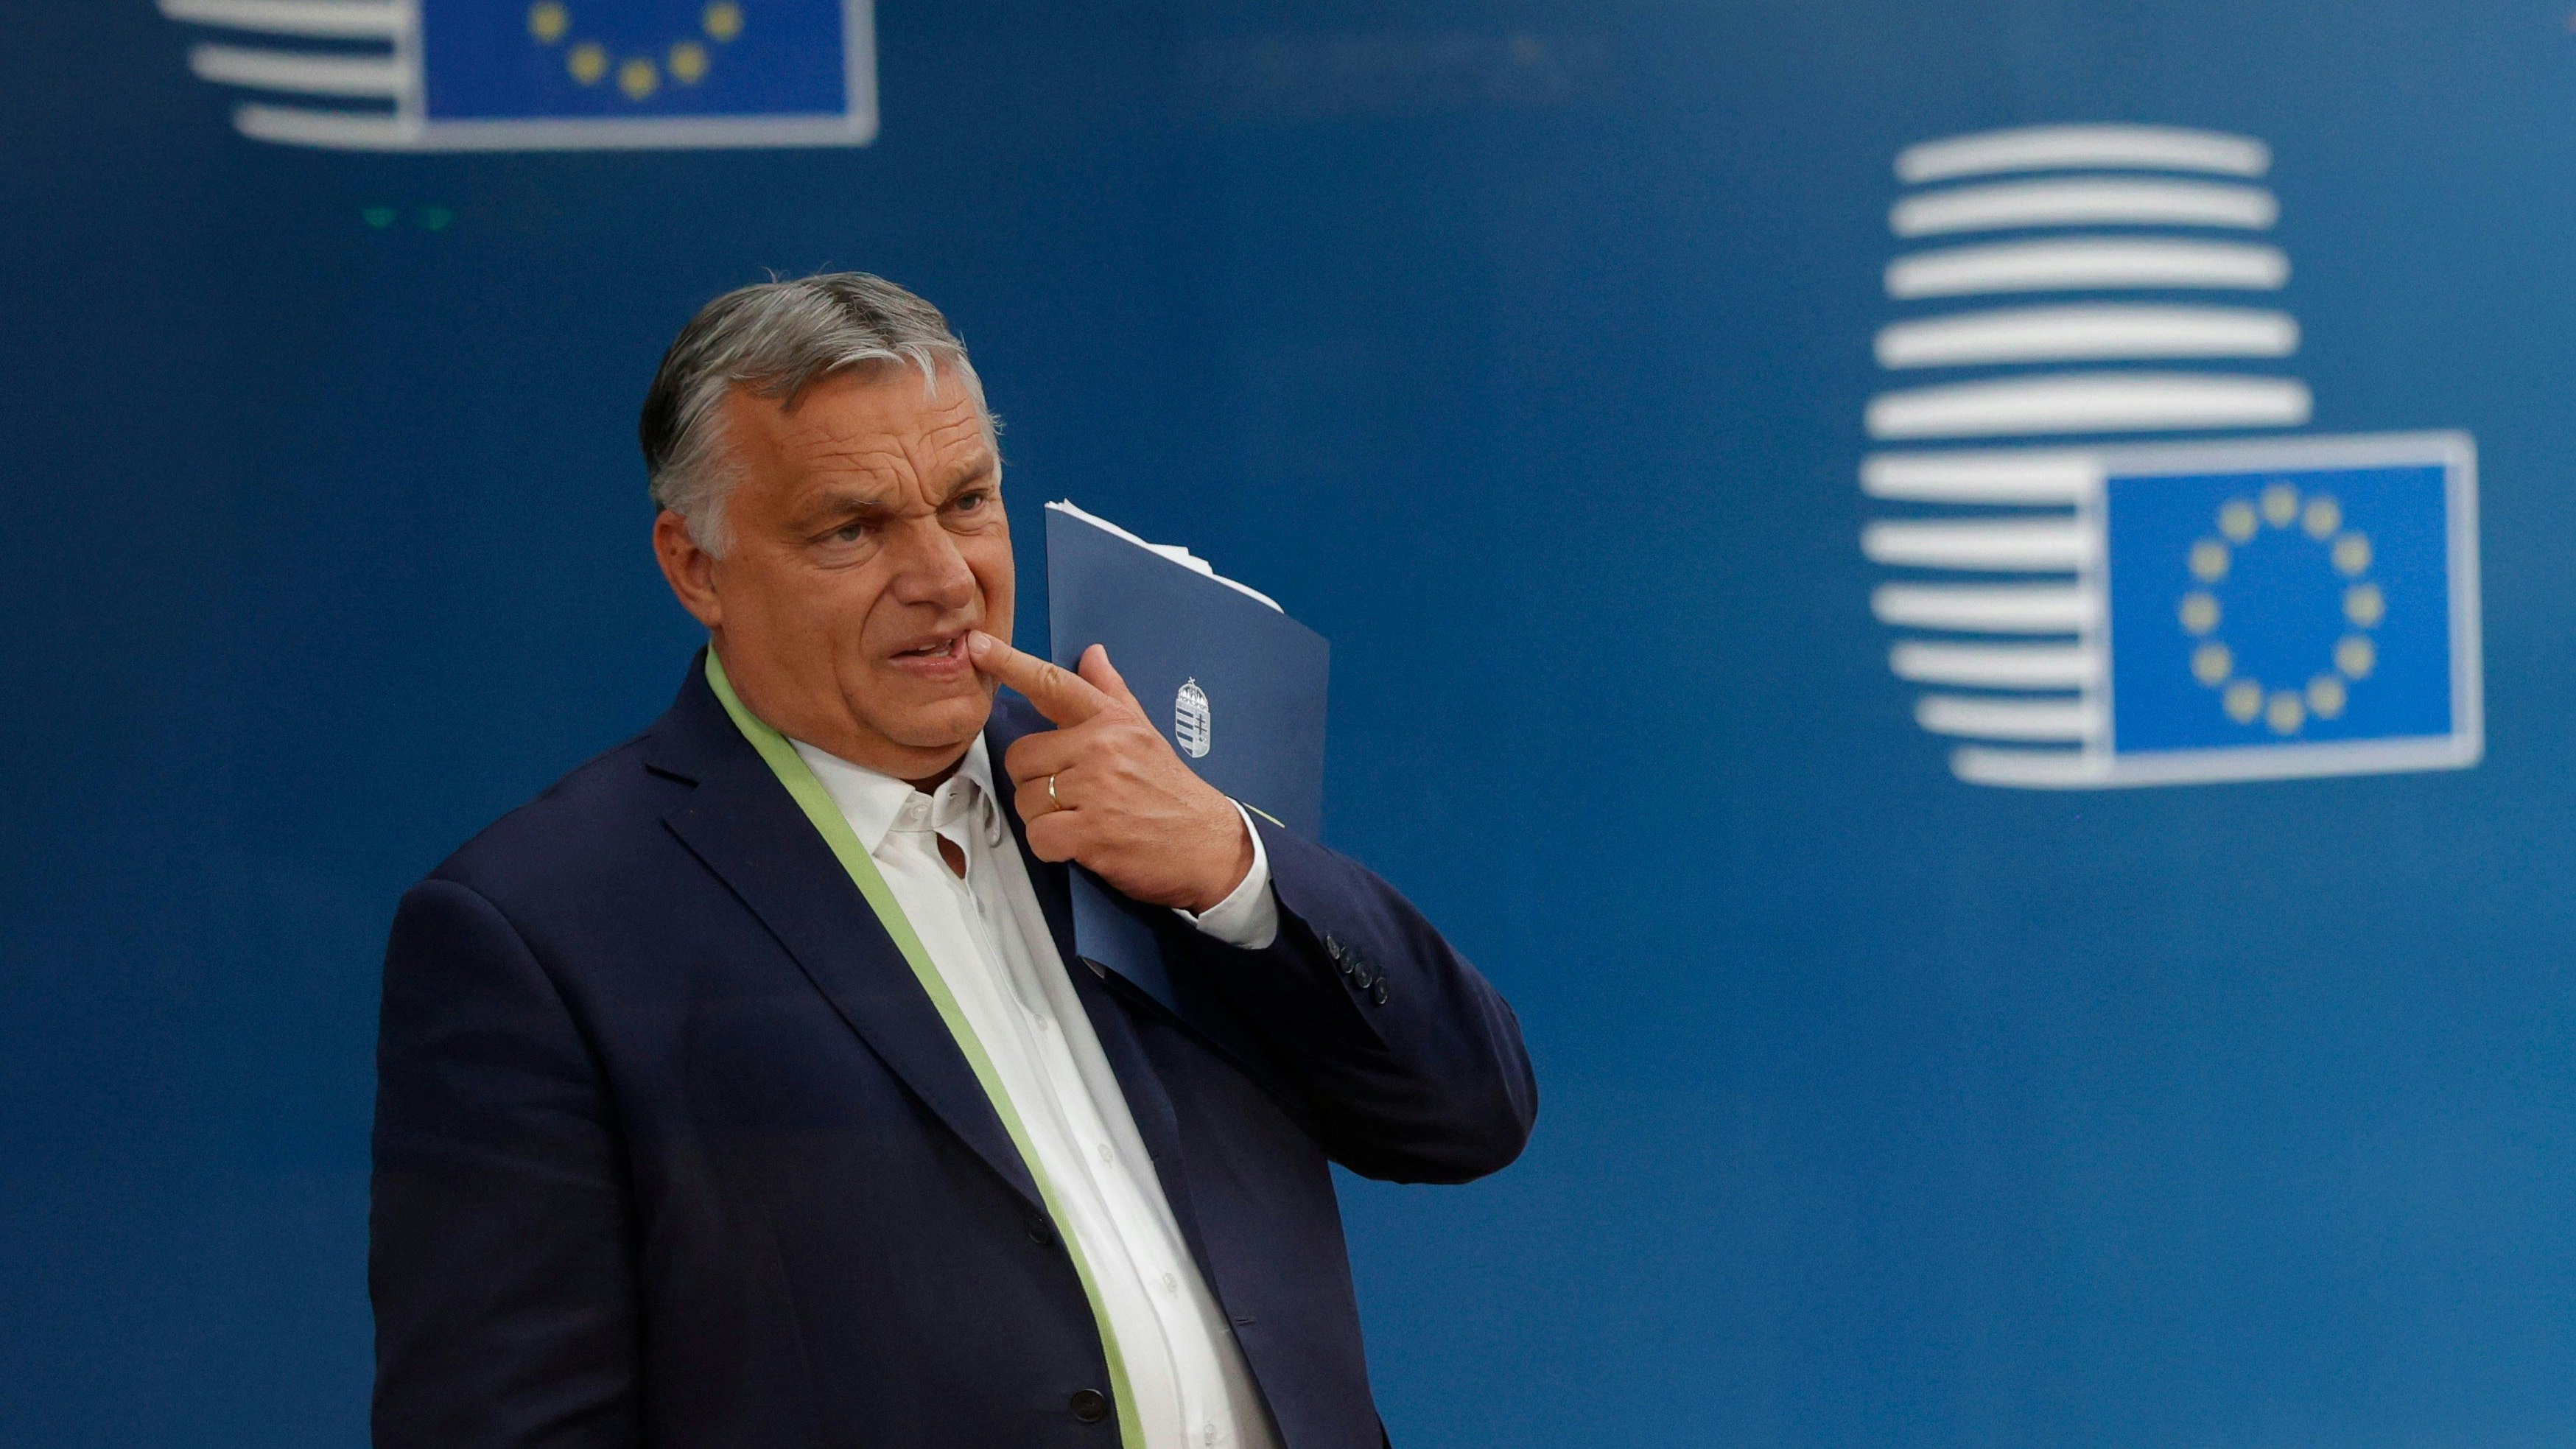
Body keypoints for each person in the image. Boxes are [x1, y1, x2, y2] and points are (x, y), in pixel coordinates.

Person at [368, 273, 1537, 1449]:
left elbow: (1465, 1119)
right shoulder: (541, 926)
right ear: (696, 567)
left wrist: (1233, 870)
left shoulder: (1135, 789)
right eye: (850, 528)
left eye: (967, 501)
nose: (943, 576)